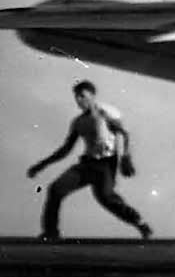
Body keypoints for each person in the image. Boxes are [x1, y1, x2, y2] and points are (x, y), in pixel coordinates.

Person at [27, 80, 153, 240]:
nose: (79, 100)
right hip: (87, 164)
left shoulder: (106, 114)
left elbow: (124, 134)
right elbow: (66, 149)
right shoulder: (78, 122)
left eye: (83, 96)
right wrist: (41, 165)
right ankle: (51, 232)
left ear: (92, 96)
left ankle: (140, 223)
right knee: (56, 189)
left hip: (106, 164)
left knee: (107, 199)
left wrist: (126, 157)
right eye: (77, 97)